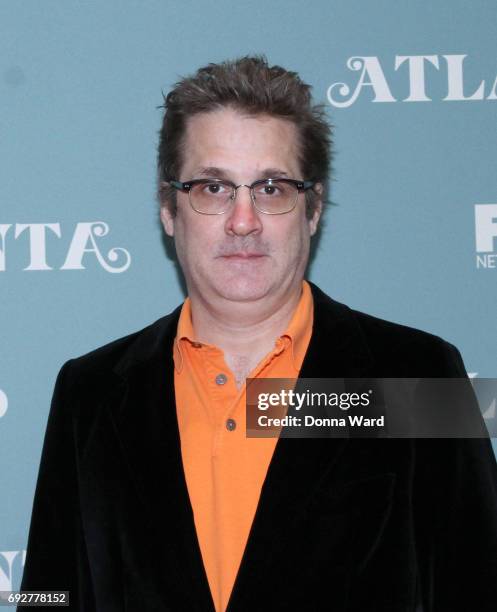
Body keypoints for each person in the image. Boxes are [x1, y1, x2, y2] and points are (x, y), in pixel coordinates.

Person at [20, 56, 497, 611]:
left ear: (313, 208)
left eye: (271, 188)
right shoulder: (92, 391)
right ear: (169, 209)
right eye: (212, 187)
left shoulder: (416, 374)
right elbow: (47, 597)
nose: (242, 219)